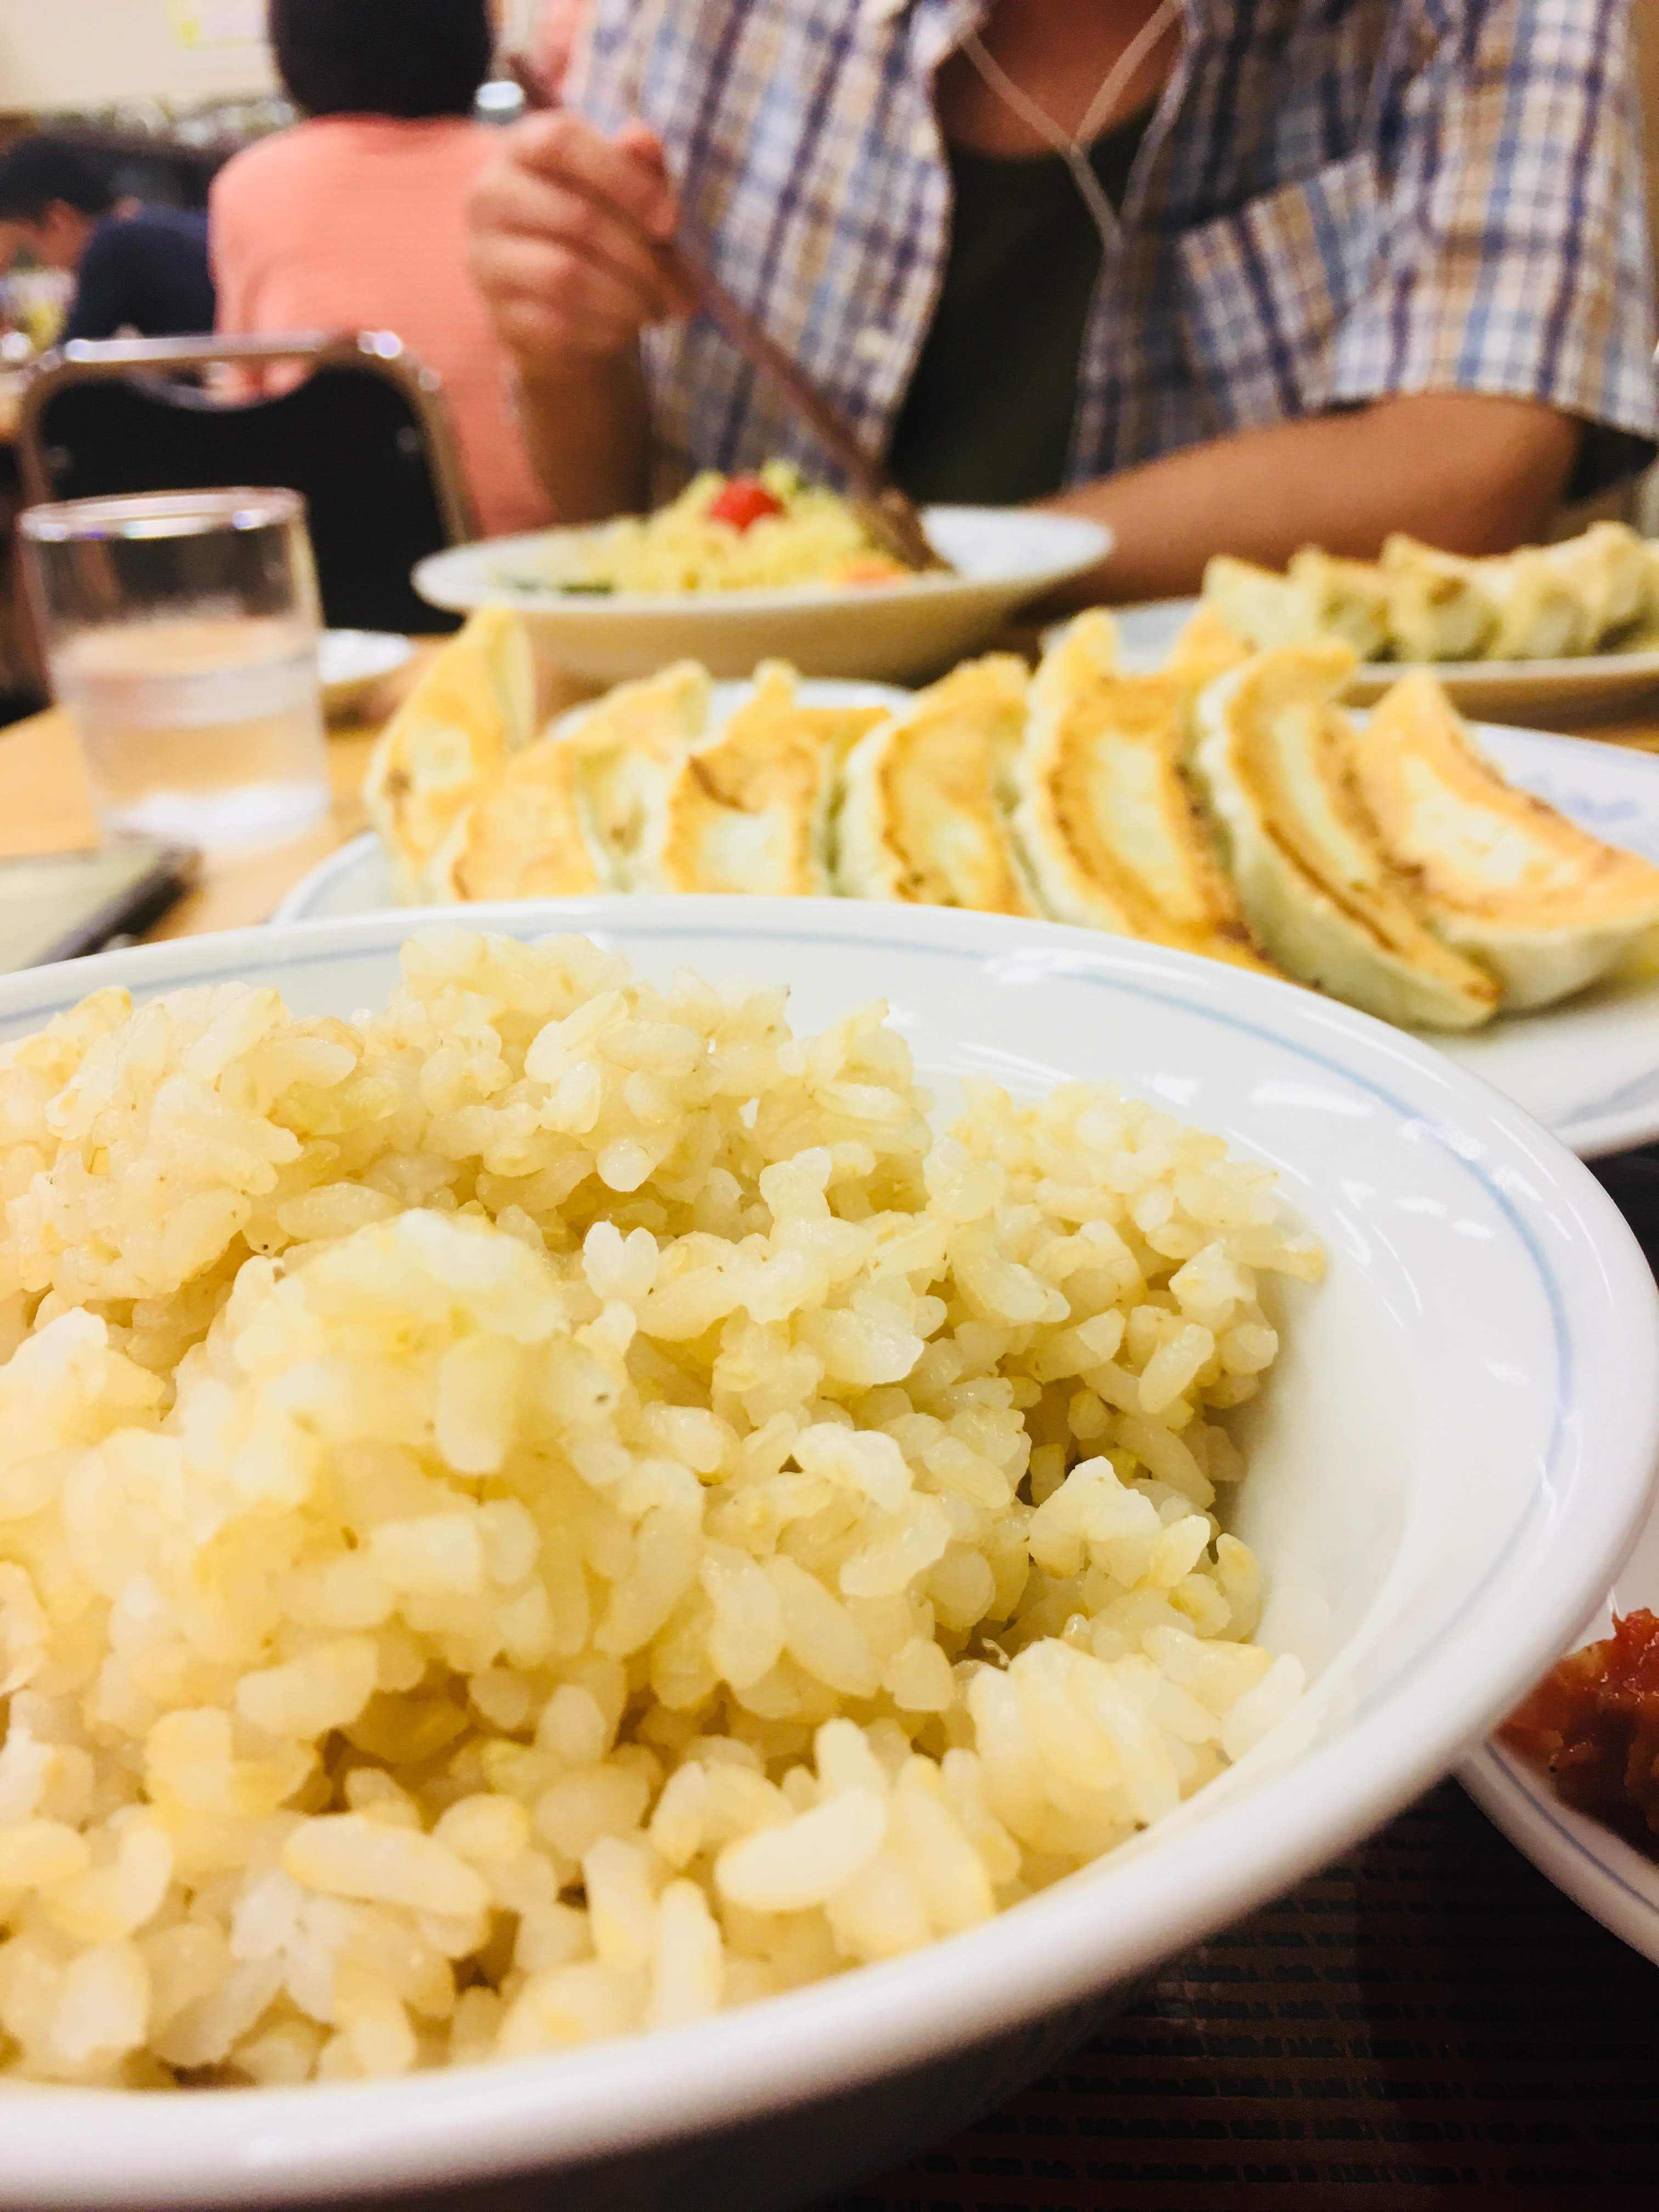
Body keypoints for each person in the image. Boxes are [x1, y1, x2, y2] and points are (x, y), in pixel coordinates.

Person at [467, 0, 1659, 602]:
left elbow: (1467, 462)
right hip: (733, 783)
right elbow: (622, 516)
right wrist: (567, 350)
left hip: (1289, 772)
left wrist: (932, 590)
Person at [211, 0, 552, 540]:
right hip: (534, 560)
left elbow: (243, 410)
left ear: (291, 49)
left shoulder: (249, 186)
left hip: (336, 563)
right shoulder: (527, 173)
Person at [0, 137, 214, 344]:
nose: (47, 267)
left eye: (26, 251)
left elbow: (69, 361)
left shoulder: (112, 246)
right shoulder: (144, 228)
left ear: (58, 221)